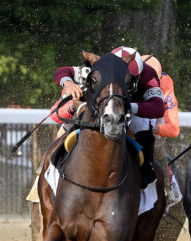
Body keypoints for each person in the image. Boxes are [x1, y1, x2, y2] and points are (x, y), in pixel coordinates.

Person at [55, 46, 165, 188]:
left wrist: (128, 107)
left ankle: (146, 172)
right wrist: (67, 82)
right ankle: (52, 165)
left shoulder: (148, 75)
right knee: (70, 123)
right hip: (102, 108)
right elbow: (63, 71)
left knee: (141, 123)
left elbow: (158, 107)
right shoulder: (101, 66)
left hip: (131, 109)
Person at [140, 54, 181, 205]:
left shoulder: (166, 83)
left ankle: (166, 189)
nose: (153, 85)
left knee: (157, 146)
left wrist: (153, 128)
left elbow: (174, 129)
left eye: (156, 80)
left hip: (152, 138)